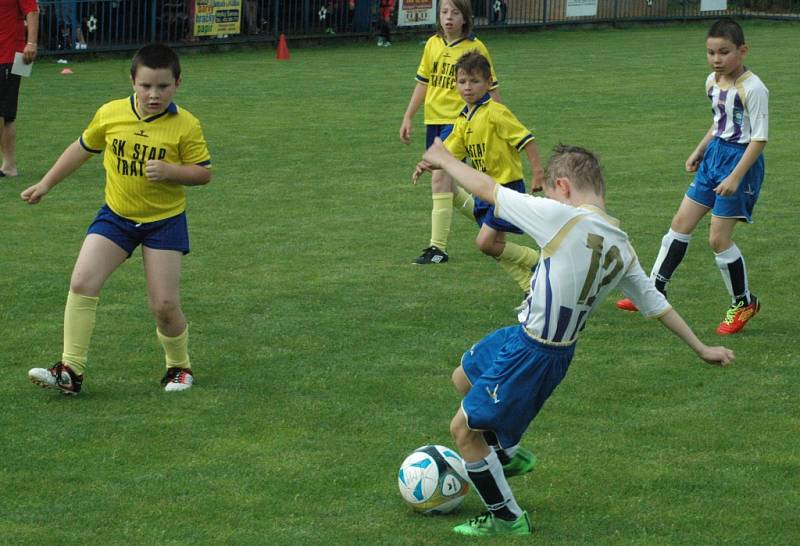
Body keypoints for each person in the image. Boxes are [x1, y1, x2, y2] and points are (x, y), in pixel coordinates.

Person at [418, 139, 735, 536]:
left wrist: (445, 160)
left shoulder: (559, 217)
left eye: (551, 192)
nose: (549, 199)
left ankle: (506, 518)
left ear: (563, 187)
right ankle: (504, 455)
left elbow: (488, 189)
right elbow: (656, 304)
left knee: (463, 430)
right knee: (463, 377)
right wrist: (701, 347)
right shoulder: (621, 246)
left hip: (533, 352)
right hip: (528, 339)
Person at [22, 44, 212, 395]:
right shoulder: (111, 113)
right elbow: (82, 148)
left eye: (163, 87)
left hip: (164, 222)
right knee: (82, 281)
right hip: (116, 216)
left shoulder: (186, 125)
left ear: (178, 84)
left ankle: (179, 368)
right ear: (132, 82)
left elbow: (203, 174)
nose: (154, 95)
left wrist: (171, 170)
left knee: (165, 305)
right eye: (146, 86)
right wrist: (46, 183)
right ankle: (70, 371)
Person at [615, 18, 767, 335]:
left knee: (718, 239)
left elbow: (759, 139)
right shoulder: (712, 82)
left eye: (724, 52)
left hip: (740, 161)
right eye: (711, 52)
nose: (716, 59)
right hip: (714, 158)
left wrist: (736, 176)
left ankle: (744, 302)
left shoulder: (754, 88)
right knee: (680, 224)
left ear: (742, 51)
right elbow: (719, 124)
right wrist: (699, 150)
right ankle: (654, 290)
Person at [413, 51, 544, 292]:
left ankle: (538, 262)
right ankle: (531, 290)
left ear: (488, 82)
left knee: (485, 243)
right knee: (497, 248)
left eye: (475, 81)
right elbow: (449, 154)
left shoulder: (496, 112)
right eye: (462, 81)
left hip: (506, 188)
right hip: (486, 191)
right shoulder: (463, 119)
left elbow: (526, 139)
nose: (468, 87)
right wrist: (427, 164)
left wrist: (537, 172)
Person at [399, 0, 500, 265]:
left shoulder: (476, 49)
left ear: (465, 18)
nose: (449, 18)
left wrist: (496, 121)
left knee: (438, 179)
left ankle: (437, 249)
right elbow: (423, 83)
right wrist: (409, 115)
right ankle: (489, 219)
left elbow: (492, 88)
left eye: (455, 12)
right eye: (444, 12)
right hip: (433, 121)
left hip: (459, 122)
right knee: (448, 187)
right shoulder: (433, 44)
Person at [0, 0, 38, 178]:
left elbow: (32, 11)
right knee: (7, 114)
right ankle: (9, 165)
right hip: (8, 54)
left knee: (6, 113)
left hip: (13, 55)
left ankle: (9, 165)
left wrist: (32, 44)